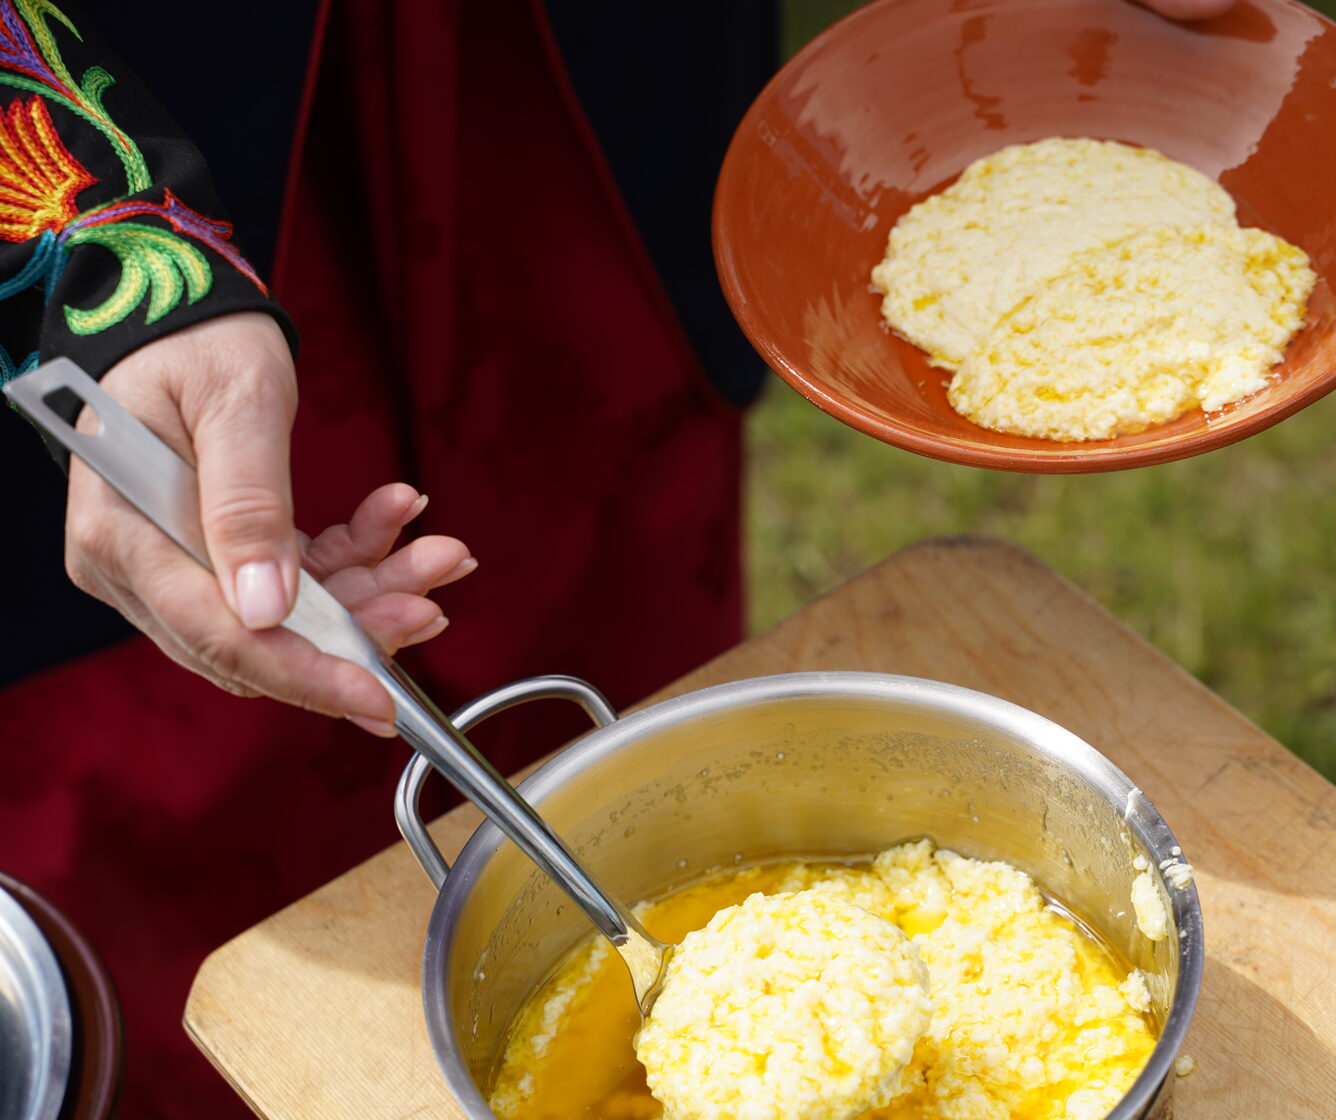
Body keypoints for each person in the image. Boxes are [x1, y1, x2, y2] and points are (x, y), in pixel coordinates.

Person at [0, 1, 1236, 1116]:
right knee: (189, 803)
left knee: (614, 587)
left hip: (562, 82)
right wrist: (109, 262)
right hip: (143, 84)